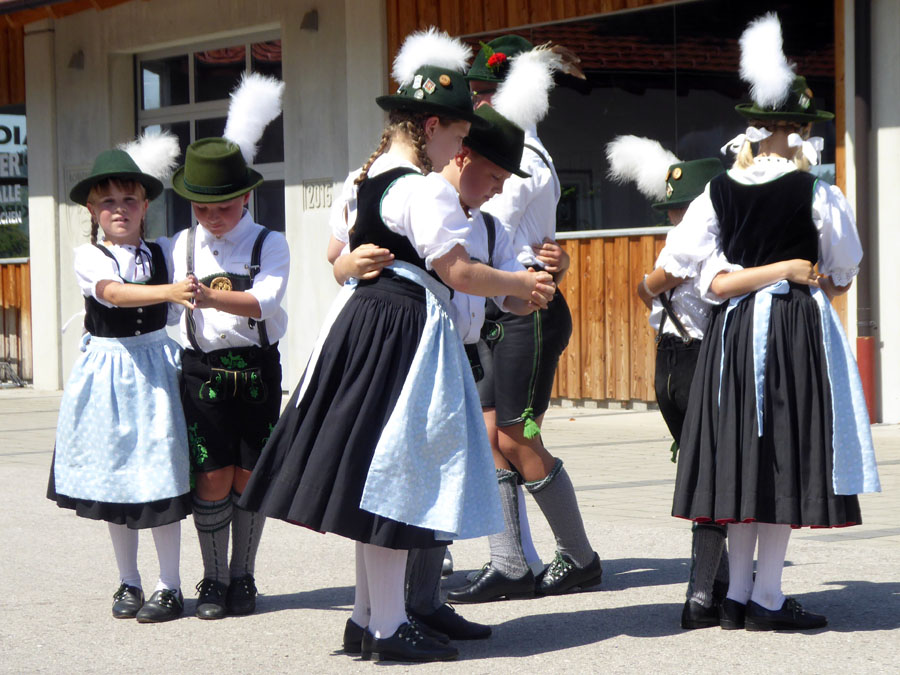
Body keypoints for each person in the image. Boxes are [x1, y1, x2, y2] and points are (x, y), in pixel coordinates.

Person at [238, 28, 556, 663]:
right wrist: (521, 282)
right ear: (433, 125)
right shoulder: (424, 185)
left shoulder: (369, 178)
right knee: (395, 481)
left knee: (379, 478)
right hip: (402, 328)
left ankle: (369, 617)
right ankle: (385, 627)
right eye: (461, 138)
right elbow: (458, 272)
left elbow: (361, 258)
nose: (460, 150)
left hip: (368, 323)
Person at [670, 13, 880, 631]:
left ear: (753, 127)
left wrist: (754, 276)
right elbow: (844, 269)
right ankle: (763, 598)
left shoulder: (718, 190)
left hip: (733, 333)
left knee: (744, 458)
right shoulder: (815, 191)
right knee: (782, 456)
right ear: (800, 130)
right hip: (792, 327)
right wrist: (806, 278)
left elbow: (696, 272)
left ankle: (736, 596)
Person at [449, 36, 602, 604]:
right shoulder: (499, 152)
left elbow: (480, 230)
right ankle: (509, 562)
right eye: (477, 93)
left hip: (526, 310)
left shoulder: (522, 161)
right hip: (498, 307)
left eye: (489, 92)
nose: (480, 103)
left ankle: (580, 556)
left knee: (518, 434)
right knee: (490, 436)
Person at [48, 132, 194, 623]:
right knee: (117, 481)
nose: (119, 209)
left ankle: (169, 584)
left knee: (161, 475)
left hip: (155, 368)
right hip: (109, 371)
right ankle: (128, 581)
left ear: (145, 204)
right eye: (107, 201)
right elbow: (114, 294)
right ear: (92, 210)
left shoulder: (164, 252)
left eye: (129, 199)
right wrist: (172, 291)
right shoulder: (90, 256)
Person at [405, 104, 538, 641]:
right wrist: (517, 285)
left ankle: (425, 601)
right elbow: (457, 273)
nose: (499, 190)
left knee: (445, 485)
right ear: (462, 156)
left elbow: (511, 299)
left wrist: (532, 291)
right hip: (414, 355)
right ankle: (397, 607)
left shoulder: (488, 225)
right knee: (412, 482)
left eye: (506, 180)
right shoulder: (422, 200)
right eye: (495, 176)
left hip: (461, 356)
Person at [163, 73, 289, 620]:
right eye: (201, 207)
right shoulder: (182, 245)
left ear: (245, 197)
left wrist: (211, 301)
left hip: (257, 367)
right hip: (201, 370)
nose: (212, 218)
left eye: (223, 206)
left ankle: (244, 577)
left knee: (248, 474)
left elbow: (264, 303)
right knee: (210, 474)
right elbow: (168, 309)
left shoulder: (270, 241)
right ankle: (212, 580)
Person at [607, 136, 733, 629]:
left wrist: (649, 283)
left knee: (705, 473)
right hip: (701, 361)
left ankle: (715, 585)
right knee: (717, 478)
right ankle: (702, 595)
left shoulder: (673, 247)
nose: (672, 217)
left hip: (668, 365)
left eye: (676, 208)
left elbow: (648, 290)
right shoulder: (708, 244)